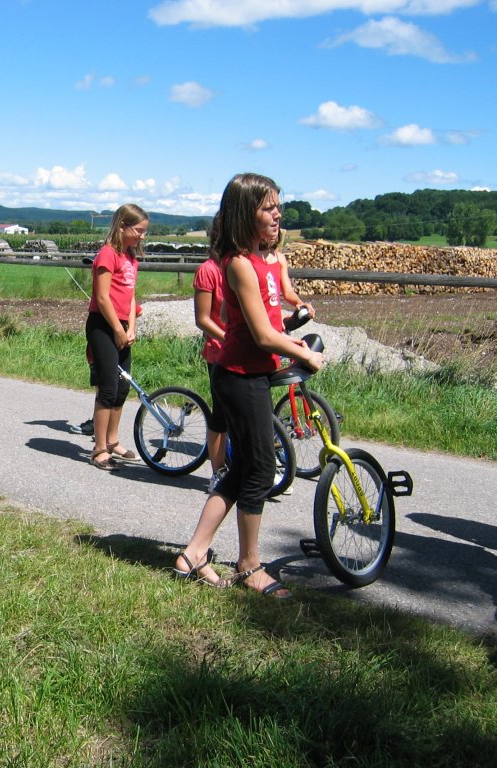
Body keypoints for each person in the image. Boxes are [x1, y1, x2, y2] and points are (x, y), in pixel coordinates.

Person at [174, 173, 323, 596]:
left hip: (247, 373)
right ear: (245, 213)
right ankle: (250, 565)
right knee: (259, 469)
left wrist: (290, 335)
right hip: (240, 376)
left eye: (278, 206)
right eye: (267, 208)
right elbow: (260, 335)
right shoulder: (240, 263)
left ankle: (193, 553)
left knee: (241, 469)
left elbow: (265, 324)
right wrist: (304, 354)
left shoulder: (262, 261)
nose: (277, 214)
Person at [85, 203, 147, 470]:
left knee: (122, 387)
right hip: (103, 325)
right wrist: (118, 330)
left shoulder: (131, 258)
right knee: (108, 387)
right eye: (138, 230)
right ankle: (99, 449)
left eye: (144, 231)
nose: (142, 236)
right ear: (122, 226)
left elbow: (131, 296)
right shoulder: (107, 254)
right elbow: (102, 297)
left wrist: (130, 327)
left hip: (122, 325)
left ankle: (112, 441)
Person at [193, 213, 228, 491]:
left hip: (248, 352)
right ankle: (218, 472)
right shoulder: (208, 270)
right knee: (222, 415)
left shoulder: (244, 265)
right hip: (221, 351)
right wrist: (230, 339)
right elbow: (203, 319)